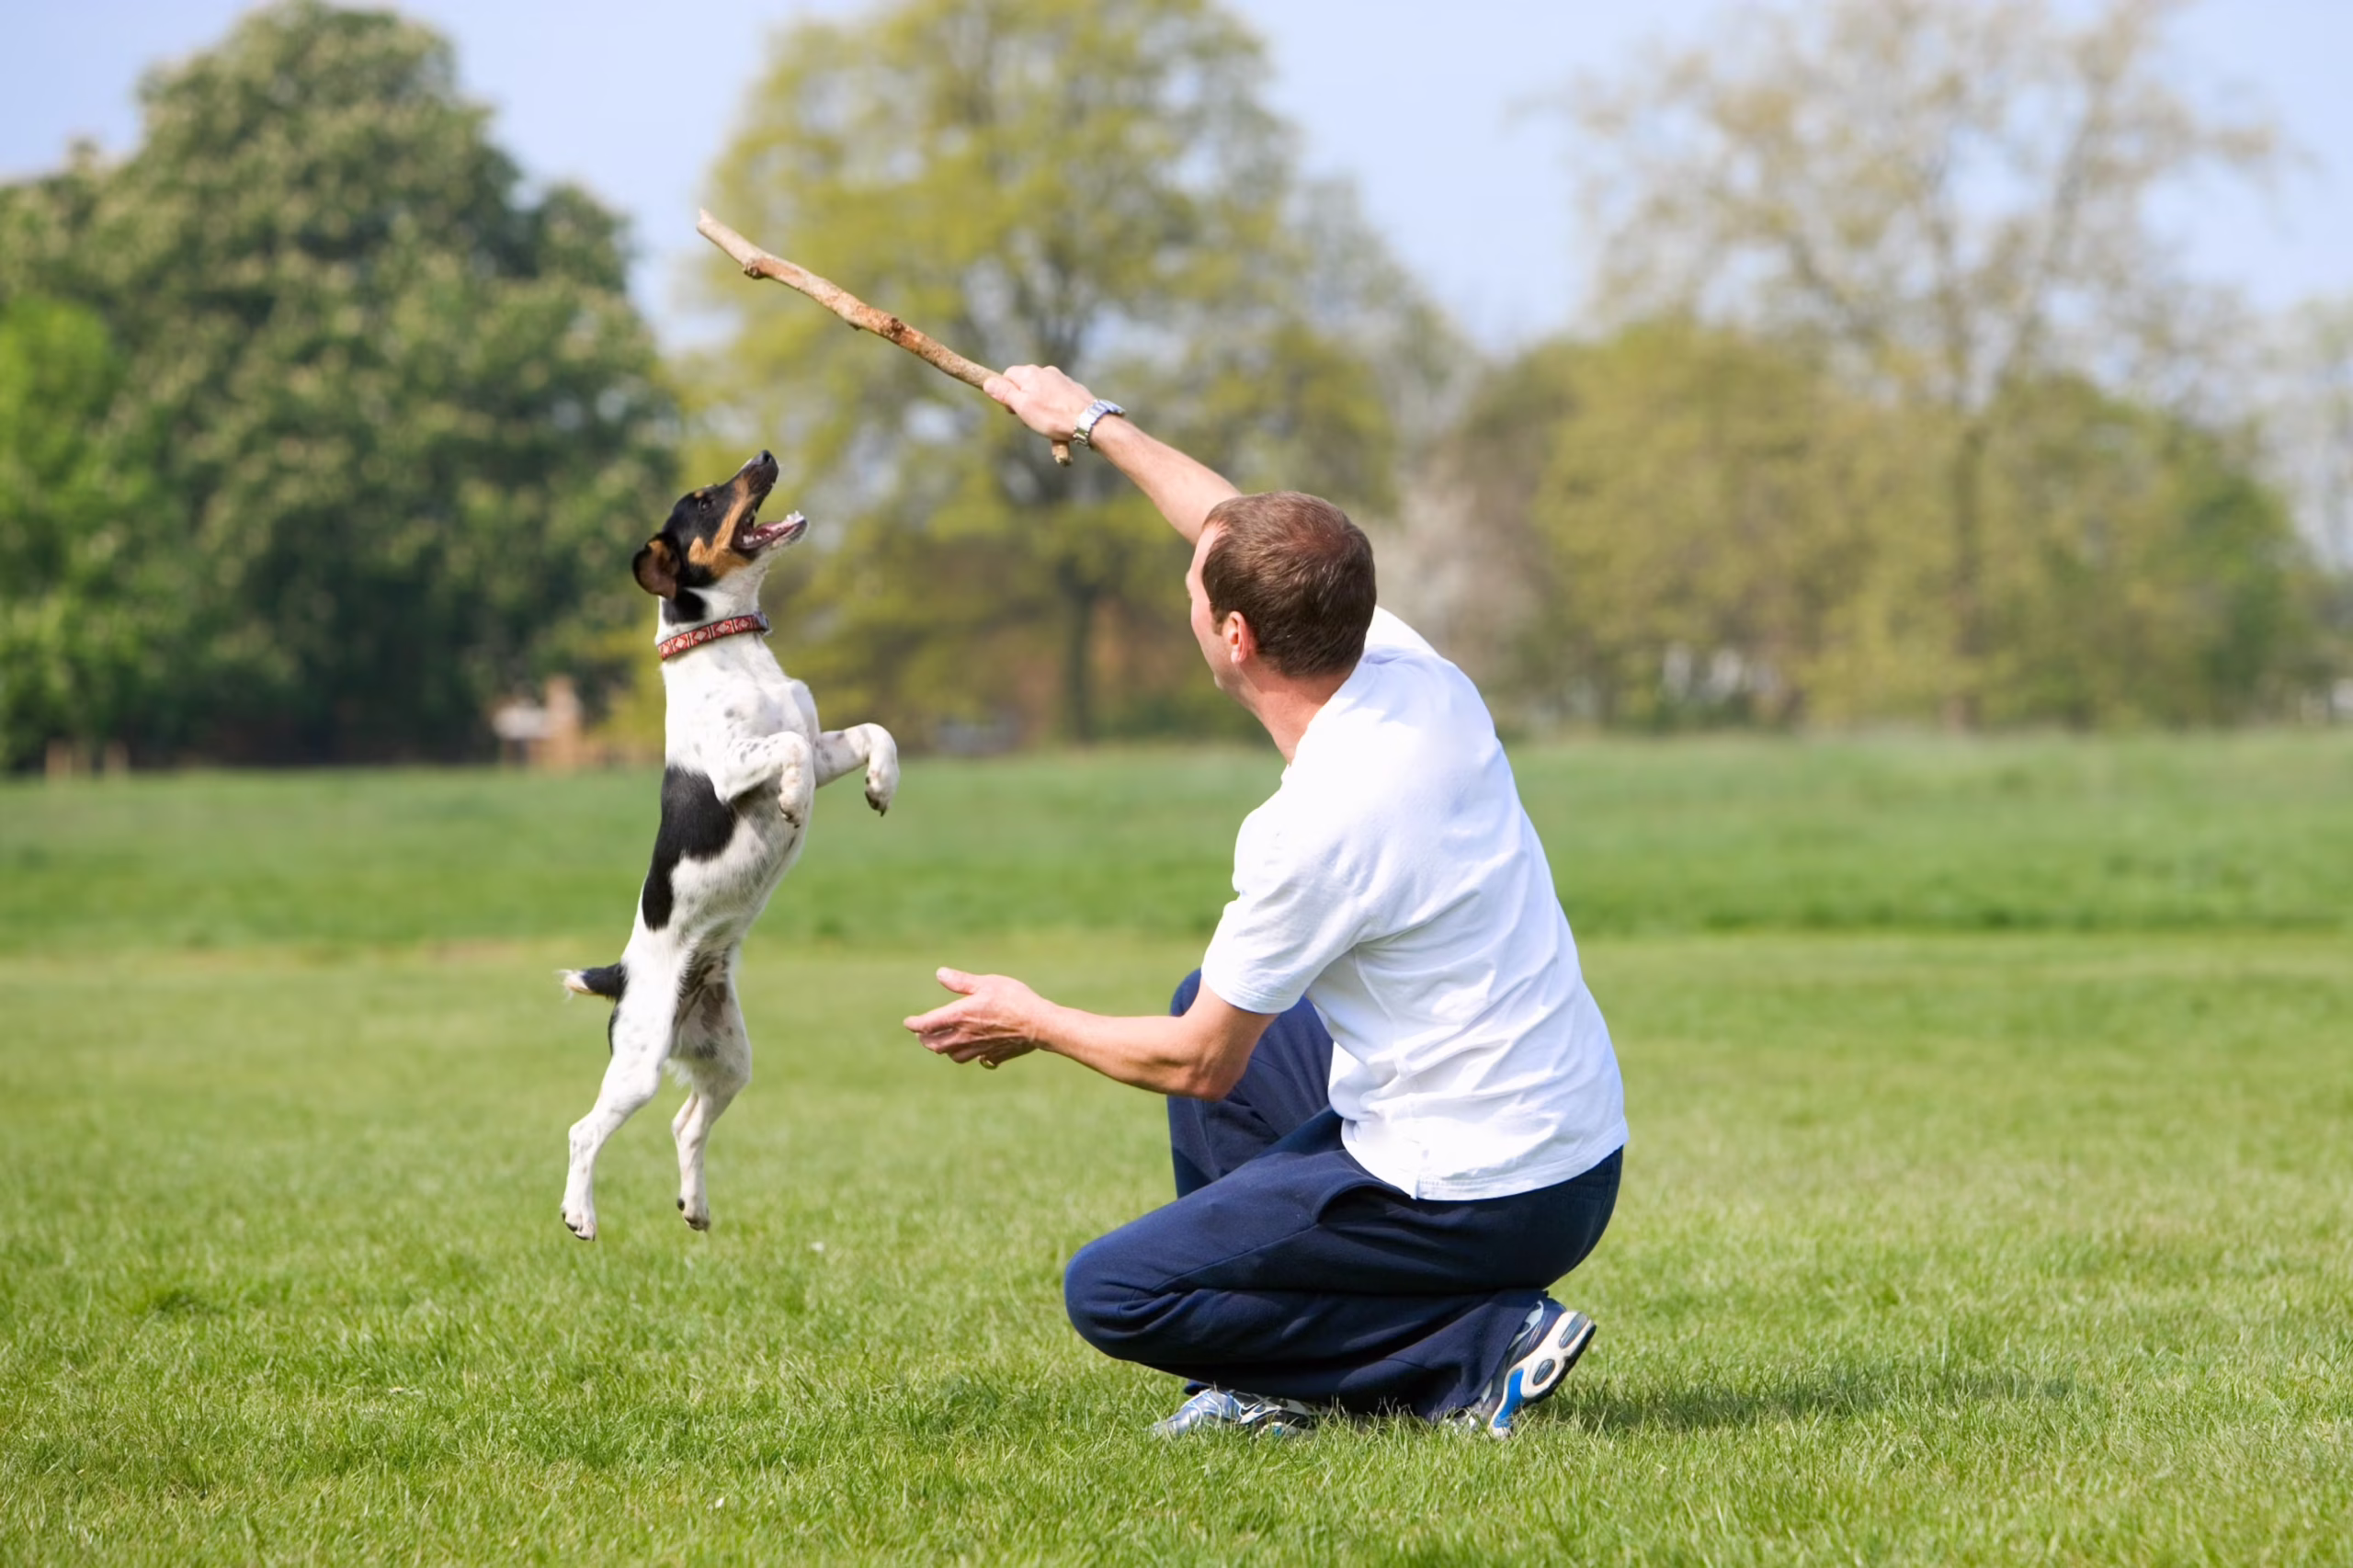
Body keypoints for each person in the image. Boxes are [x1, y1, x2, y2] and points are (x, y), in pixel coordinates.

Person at [903, 366, 1627, 1438]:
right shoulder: (1413, 672)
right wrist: (1092, 422)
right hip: (1574, 1152)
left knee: (1115, 1288)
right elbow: (1225, 522)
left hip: (1481, 1192)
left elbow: (1196, 1060)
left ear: (1234, 636)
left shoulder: (1317, 822)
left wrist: (1034, 1019)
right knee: (1217, 989)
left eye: (1195, 592)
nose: (1185, 589)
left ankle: (1479, 1347)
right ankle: (1279, 1373)